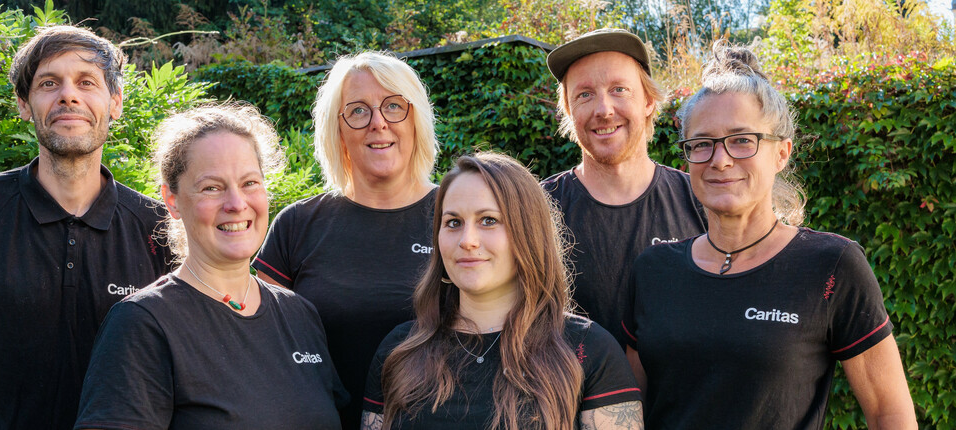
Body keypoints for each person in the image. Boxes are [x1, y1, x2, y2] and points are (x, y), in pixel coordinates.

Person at [623, 42, 917, 429]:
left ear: (782, 153)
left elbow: (889, 412)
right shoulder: (653, 270)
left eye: (742, 140)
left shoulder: (831, 265)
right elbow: (628, 412)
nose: (720, 159)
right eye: (703, 143)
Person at [0, 25, 173, 429]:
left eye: (87, 82)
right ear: (23, 103)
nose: (69, 95)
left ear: (115, 102)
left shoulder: (159, 228)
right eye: (49, 83)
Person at [75, 102, 347, 429]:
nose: (236, 204)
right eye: (212, 188)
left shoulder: (300, 316)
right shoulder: (143, 325)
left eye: (249, 183)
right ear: (172, 200)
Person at [362, 153, 643, 430]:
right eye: (453, 222)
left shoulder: (586, 350)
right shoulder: (399, 351)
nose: (467, 241)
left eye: (488, 220)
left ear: (529, 233)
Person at [253, 51, 439, 429]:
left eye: (393, 106)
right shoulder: (298, 225)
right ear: (336, 130)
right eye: (357, 111)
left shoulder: (457, 218)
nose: (378, 123)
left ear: (416, 119)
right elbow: (260, 345)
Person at [542, 28, 706, 349]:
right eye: (585, 94)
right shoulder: (536, 209)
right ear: (569, 111)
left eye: (619, 89)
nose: (604, 109)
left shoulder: (700, 201)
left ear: (647, 101)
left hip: (682, 401)